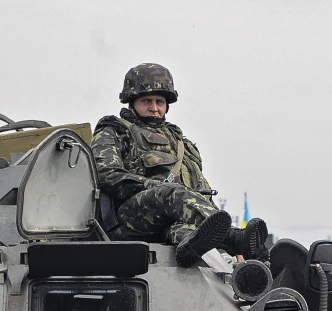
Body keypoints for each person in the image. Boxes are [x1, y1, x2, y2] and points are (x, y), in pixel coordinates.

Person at [92, 63, 268, 267]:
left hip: (169, 224)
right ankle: (233, 238)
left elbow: (201, 193)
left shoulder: (181, 143)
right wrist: (154, 187)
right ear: (132, 102)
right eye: (146, 101)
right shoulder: (115, 131)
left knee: (187, 233)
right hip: (128, 221)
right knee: (171, 194)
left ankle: (257, 261)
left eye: (160, 101)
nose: (154, 108)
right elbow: (107, 174)